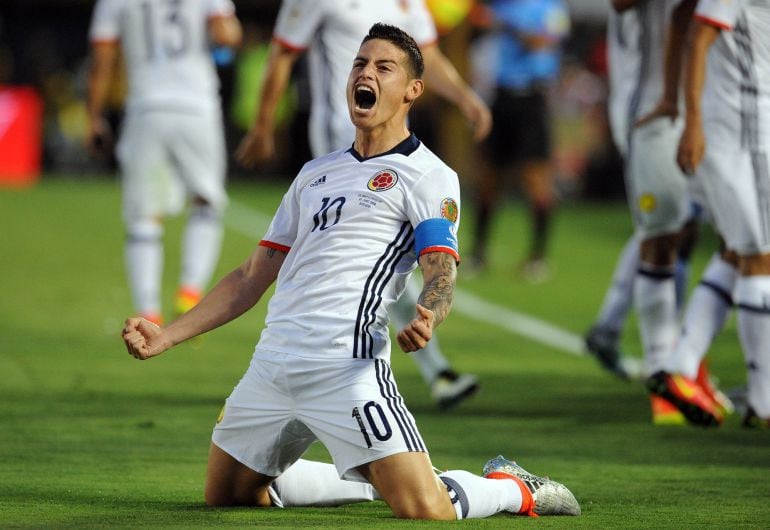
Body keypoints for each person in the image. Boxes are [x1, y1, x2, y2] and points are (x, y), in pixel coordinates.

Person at [121, 24, 581, 519]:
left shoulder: (429, 175)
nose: (366, 73)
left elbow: (440, 267)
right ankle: (371, 478)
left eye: (384, 67)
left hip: (347, 367)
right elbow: (252, 274)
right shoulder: (315, 174)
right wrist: (167, 336)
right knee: (227, 496)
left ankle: (513, 488)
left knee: (425, 509)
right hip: (273, 365)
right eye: (360, 64)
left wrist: (429, 313)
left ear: (412, 91)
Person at [235, 0, 492, 410]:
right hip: (339, 151)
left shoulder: (410, 4)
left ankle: (418, 370)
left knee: (391, 262)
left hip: (390, 151)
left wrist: (464, 98)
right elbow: (283, 52)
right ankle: (419, 370)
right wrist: (264, 125)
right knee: (353, 265)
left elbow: (428, 58)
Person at [87, 0, 243, 325]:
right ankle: (189, 292)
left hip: (146, 108)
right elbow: (227, 34)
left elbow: (102, 57)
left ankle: (147, 312)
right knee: (206, 203)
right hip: (196, 107)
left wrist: (93, 115)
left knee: (144, 215)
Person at [668, 0, 770, 428]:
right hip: (745, 127)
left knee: (737, 250)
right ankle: (764, 401)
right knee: (759, 255)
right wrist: (690, 118)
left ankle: (681, 366)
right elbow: (699, 34)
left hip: (733, 126)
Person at [466, 0, 570, 282]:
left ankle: (538, 257)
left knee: (536, 180)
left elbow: (541, 43)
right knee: (488, 179)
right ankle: (478, 253)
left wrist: (507, 25)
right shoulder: (504, 6)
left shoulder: (551, 8)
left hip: (532, 101)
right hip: (502, 97)